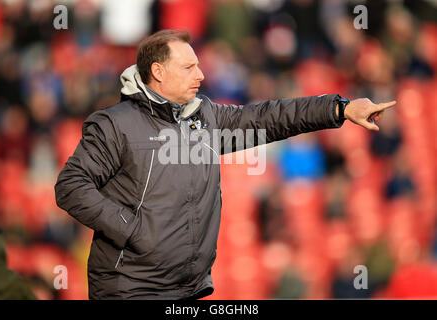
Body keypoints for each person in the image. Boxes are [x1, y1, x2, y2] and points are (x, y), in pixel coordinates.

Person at [54, 30, 396, 300]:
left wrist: (339, 109)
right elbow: (70, 186)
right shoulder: (115, 124)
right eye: (188, 67)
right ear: (157, 72)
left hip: (185, 288)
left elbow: (270, 117)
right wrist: (135, 231)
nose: (201, 75)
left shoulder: (206, 117)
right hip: (130, 288)